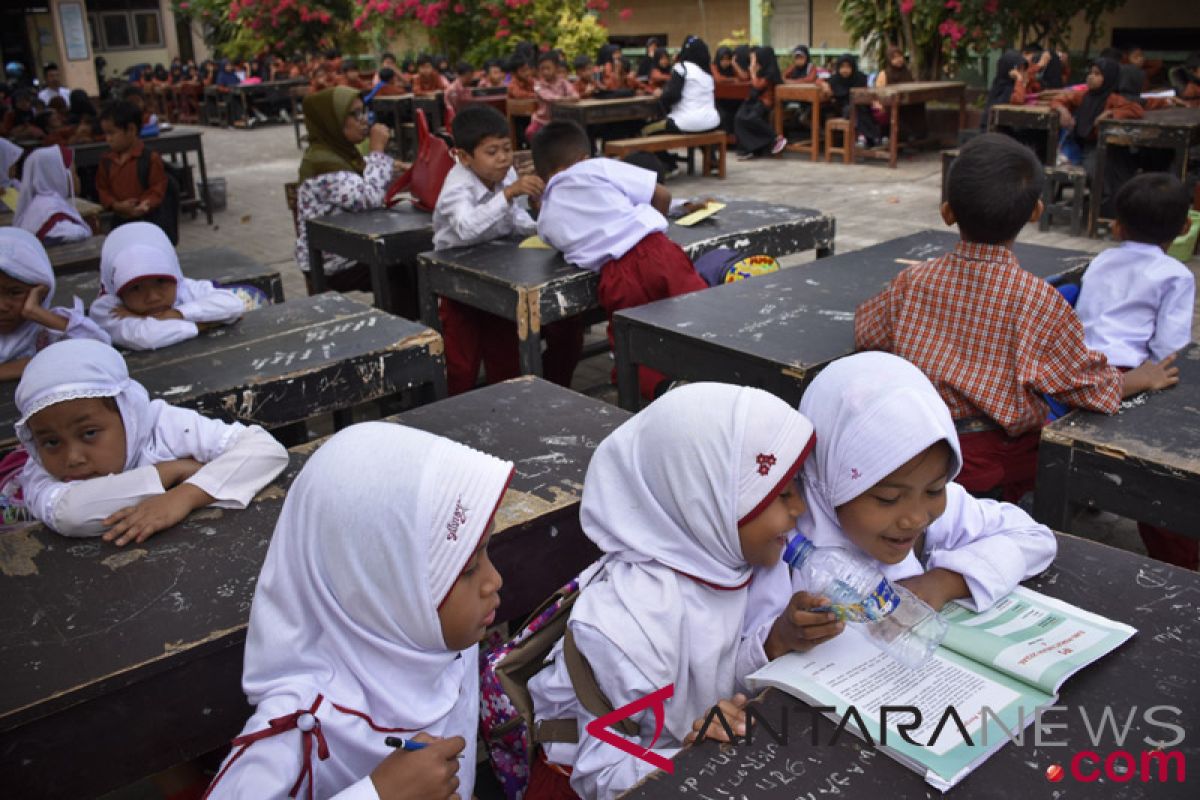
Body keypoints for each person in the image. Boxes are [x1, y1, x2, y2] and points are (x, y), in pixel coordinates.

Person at [526, 383, 819, 800]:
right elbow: (598, 769)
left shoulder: (718, 565)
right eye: (782, 495)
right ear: (706, 501)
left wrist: (773, 643)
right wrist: (686, 758)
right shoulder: (628, 624)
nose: (800, 510)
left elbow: (706, 672)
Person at [854, 133, 1178, 503]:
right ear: (1036, 212)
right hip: (997, 458)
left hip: (917, 440)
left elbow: (868, 333)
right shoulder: (1038, 300)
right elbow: (1083, 385)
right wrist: (1136, 380)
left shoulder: (913, 281)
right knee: (1067, 455)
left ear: (947, 213)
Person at [204, 422, 511, 800]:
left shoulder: (434, 644)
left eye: (485, 551)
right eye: (467, 569)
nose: (493, 580)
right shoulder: (300, 728)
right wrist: (378, 794)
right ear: (382, 590)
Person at [773, 351, 1056, 618]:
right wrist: (784, 635)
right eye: (888, 498)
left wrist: (945, 581)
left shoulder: (933, 509)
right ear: (828, 476)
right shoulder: (781, 540)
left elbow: (1034, 538)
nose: (917, 518)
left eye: (935, 490)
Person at [14, 338, 288, 541]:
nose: (73, 458)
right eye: (51, 442)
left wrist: (184, 496)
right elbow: (71, 513)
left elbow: (267, 450)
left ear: (127, 414)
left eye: (89, 433)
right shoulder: (37, 471)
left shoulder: (161, 424)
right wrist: (169, 472)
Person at [532, 120, 708, 399]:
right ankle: (716, 372)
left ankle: (662, 390)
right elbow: (662, 194)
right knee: (697, 313)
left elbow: (568, 247)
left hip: (616, 275)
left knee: (633, 342)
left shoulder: (544, 220)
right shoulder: (595, 167)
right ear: (582, 157)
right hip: (658, 251)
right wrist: (652, 229)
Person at [1075, 174, 1195, 570]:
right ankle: (1178, 558)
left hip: (1081, 365)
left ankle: (1086, 493)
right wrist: (1154, 375)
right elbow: (1169, 345)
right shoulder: (1176, 274)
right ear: (1184, 228)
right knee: (1159, 458)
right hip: (1130, 371)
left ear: (1117, 225)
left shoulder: (1102, 259)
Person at [434, 105, 581, 393]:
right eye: (491, 152)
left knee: (505, 357)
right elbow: (465, 227)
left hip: (500, 268)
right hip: (458, 276)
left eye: (506, 148)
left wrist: (543, 223)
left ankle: (527, 400)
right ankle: (452, 420)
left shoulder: (506, 174)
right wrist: (508, 194)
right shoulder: (456, 187)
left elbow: (514, 219)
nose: (502, 158)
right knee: (461, 363)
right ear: (464, 157)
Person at [294, 87, 394, 301]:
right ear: (333, 120)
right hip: (332, 260)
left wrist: (387, 166)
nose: (364, 120)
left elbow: (356, 175)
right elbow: (370, 198)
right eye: (355, 114)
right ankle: (401, 328)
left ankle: (406, 322)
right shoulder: (323, 164)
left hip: (345, 247)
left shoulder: (335, 152)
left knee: (404, 264)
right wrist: (377, 151)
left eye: (364, 111)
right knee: (402, 268)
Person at [89, 222, 245, 351]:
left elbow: (234, 304)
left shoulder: (181, 287)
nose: (153, 297)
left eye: (160, 282)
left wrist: (178, 313)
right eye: (136, 288)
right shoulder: (107, 308)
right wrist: (207, 323)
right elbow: (147, 337)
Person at [0, 229, 109, 380]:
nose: (2, 306)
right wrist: (33, 365)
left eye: (14, 292)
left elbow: (100, 347)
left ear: (42, 292)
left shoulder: (45, 330)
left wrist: (34, 312)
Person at [1049, 58, 1144, 215]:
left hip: (1105, 150)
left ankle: (1102, 209)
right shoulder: (1084, 95)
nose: (1090, 77)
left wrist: (1111, 113)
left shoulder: (1113, 99)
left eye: (1097, 74)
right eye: (1091, 73)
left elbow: (1135, 110)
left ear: (1109, 78)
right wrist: (1062, 110)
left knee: (1100, 173)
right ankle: (1094, 207)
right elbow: (1060, 98)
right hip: (1083, 148)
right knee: (1092, 170)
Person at [96, 101, 170, 235]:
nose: (108, 139)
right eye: (105, 134)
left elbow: (157, 188)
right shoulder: (107, 161)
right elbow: (103, 188)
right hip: (120, 221)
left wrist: (143, 205)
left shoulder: (149, 158)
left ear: (131, 129)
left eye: (112, 133)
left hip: (148, 221)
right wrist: (115, 205)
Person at [13, 145, 91, 244]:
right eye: (74, 173)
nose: (77, 179)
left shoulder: (40, 203)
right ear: (57, 176)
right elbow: (72, 234)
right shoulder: (50, 209)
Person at [734, 46, 786, 159]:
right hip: (754, 100)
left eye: (756, 59)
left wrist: (753, 71)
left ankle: (776, 138)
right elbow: (746, 79)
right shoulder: (760, 69)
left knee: (751, 118)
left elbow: (758, 85)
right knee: (739, 117)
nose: (754, 62)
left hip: (764, 103)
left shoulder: (770, 72)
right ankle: (747, 149)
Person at [873, 45, 926, 140]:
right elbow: (878, 93)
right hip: (890, 104)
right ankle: (906, 137)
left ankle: (919, 136)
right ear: (889, 60)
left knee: (919, 105)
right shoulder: (884, 74)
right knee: (897, 111)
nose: (898, 60)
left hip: (906, 102)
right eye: (894, 57)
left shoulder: (907, 72)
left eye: (900, 56)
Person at [828, 54, 881, 147]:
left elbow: (865, 93)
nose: (845, 70)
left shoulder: (860, 77)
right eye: (842, 67)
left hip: (862, 106)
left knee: (861, 109)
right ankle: (869, 137)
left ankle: (866, 137)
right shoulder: (834, 80)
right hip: (844, 109)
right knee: (854, 109)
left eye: (848, 67)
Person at [528, 52, 578, 139]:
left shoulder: (563, 82)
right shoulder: (538, 85)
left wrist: (574, 96)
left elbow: (574, 94)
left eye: (548, 68)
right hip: (543, 120)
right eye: (542, 69)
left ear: (556, 68)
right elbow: (549, 98)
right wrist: (566, 99)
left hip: (562, 119)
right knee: (530, 132)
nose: (545, 72)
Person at [980, 50, 1030, 131]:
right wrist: (1019, 79)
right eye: (1019, 69)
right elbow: (1018, 100)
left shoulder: (1012, 83)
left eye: (1023, 69)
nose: (1021, 72)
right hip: (993, 129)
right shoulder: (1003, 86)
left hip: (1005, 126)